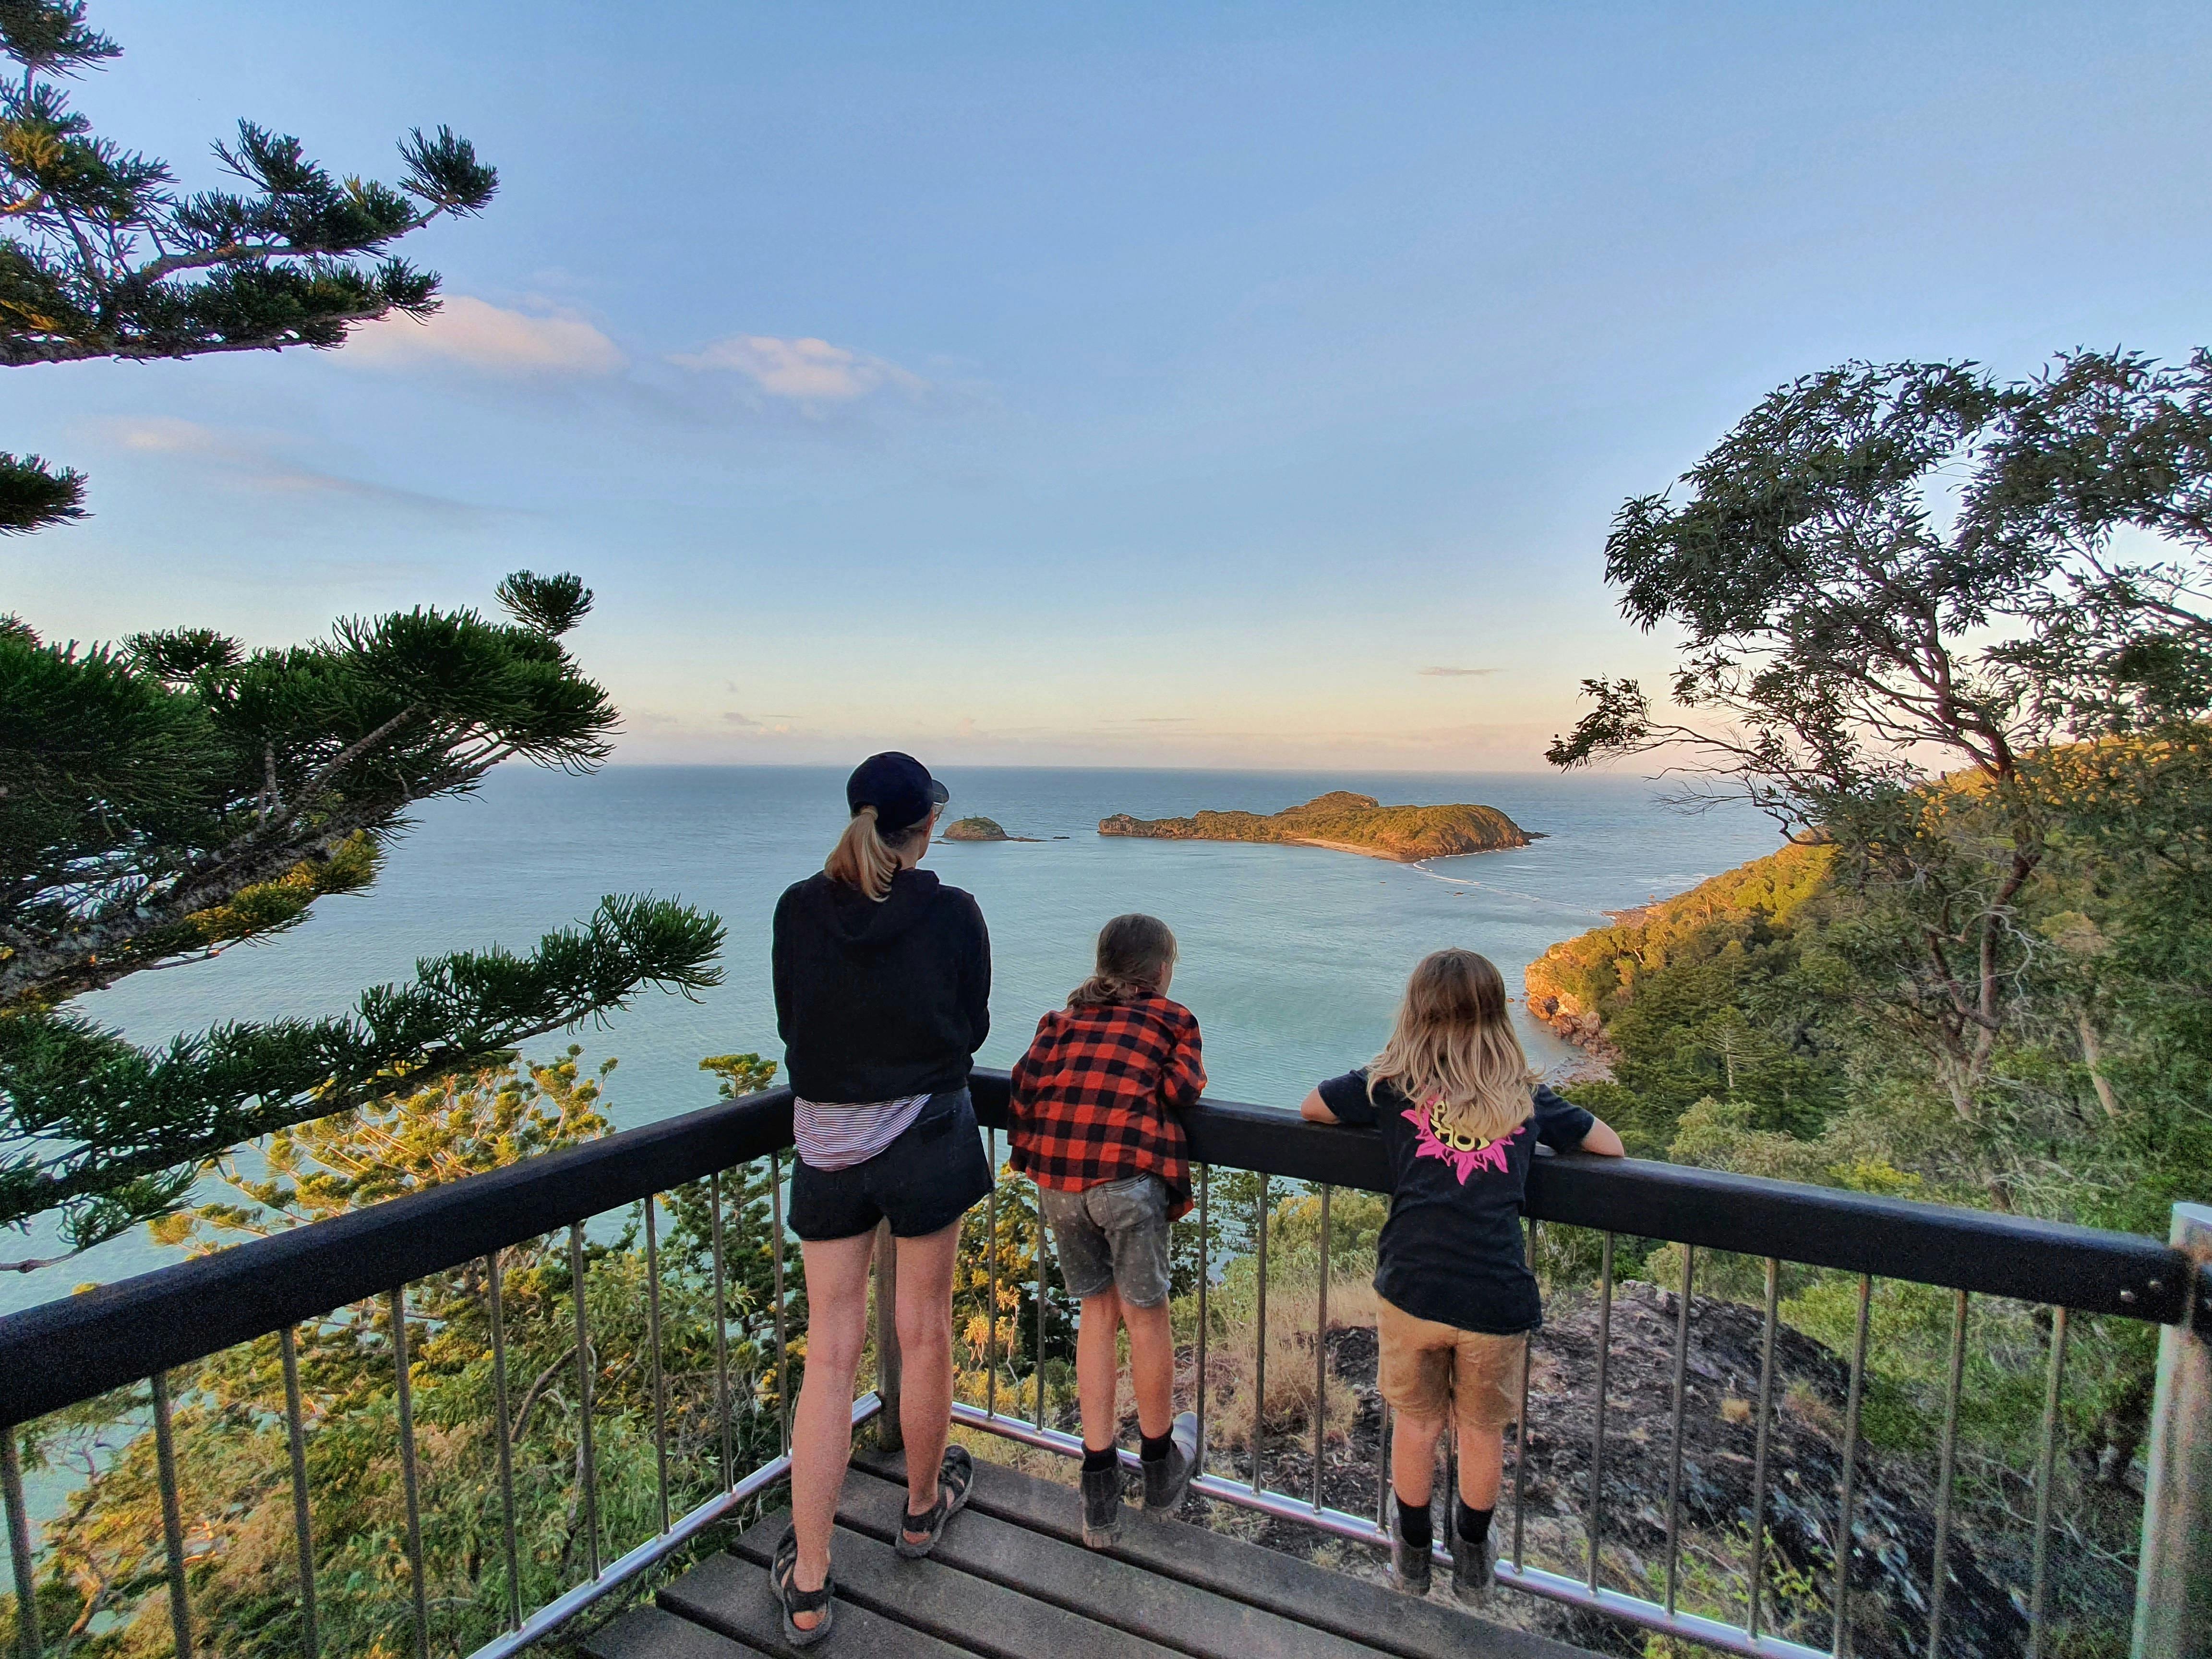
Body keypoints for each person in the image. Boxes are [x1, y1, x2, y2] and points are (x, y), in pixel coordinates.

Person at [1298, 948, 1623, 1603]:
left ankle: (1411, 1556)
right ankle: (1474, 1561)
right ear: (1496, 1016)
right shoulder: (1527, 1097)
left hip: (1412, 1288)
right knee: (1481, 1431)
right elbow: (1608, 1146)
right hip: (1494, 1293)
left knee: (1416, 1426)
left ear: (1416, 1015)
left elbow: (1312, 1107)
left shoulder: (1393, 1085)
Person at [769, 753, 994, 1646]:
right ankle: (920, 1511)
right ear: (926, 825)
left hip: (827, 1145)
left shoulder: (797, 908)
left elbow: (794, 1022)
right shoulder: (952, 913)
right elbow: (970, 1026)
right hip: (929, 1135)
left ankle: (813, 1580)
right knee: (925, 1327)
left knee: (831, 1356)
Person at [1009, 914, 1205, 1548]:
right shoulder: (1172, 1020)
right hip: (1125, 1181)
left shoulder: (1060, 1023)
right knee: (1146, 1319)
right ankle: (1159, 1469)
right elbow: (1183, 1089)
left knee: (1098, 1315)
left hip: (1061, 1185)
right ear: (1161, 971)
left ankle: (1098, 1491)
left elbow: (1024, 1086)